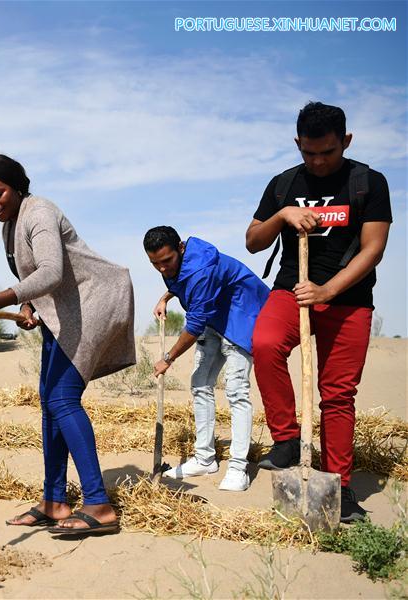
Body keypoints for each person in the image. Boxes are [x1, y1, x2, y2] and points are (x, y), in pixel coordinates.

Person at [0, 154, 136, 536]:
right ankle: (54, 501)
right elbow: (34, 278)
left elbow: (52, 271)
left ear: (18, 186)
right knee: (50, 402)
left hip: (93, 303)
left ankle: (99, 504)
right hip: (62, 313)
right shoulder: (9, 227)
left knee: (63, 399)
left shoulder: (39, 212)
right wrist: (27, 305)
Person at [246, 102, 392, 522]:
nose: (317, 161)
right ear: (298, 144)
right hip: (292, 290)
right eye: (308, 152)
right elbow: (253, 240)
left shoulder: (368, 182)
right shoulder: (283, 183)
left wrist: (327, 289)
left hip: (348, 300)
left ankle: (339, 487)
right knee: (265, 342)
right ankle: (288, 440)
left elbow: (373, 249)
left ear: (345, 141)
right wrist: (282, 214)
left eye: (327, 152)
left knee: (338, 394)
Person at [143, 226, 269, 491]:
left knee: (236, 391)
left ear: (180, 247)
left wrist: (168, 357)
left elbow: (195, 323)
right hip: (214, 317)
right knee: (200, 384)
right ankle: (204, 458)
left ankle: (238, 466)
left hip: (241, 317)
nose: (163, 269)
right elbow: (180, 281)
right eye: (155, 264)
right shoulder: (176, 264)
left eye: (167, 261)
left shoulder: (202, 270)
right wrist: (166, 296)